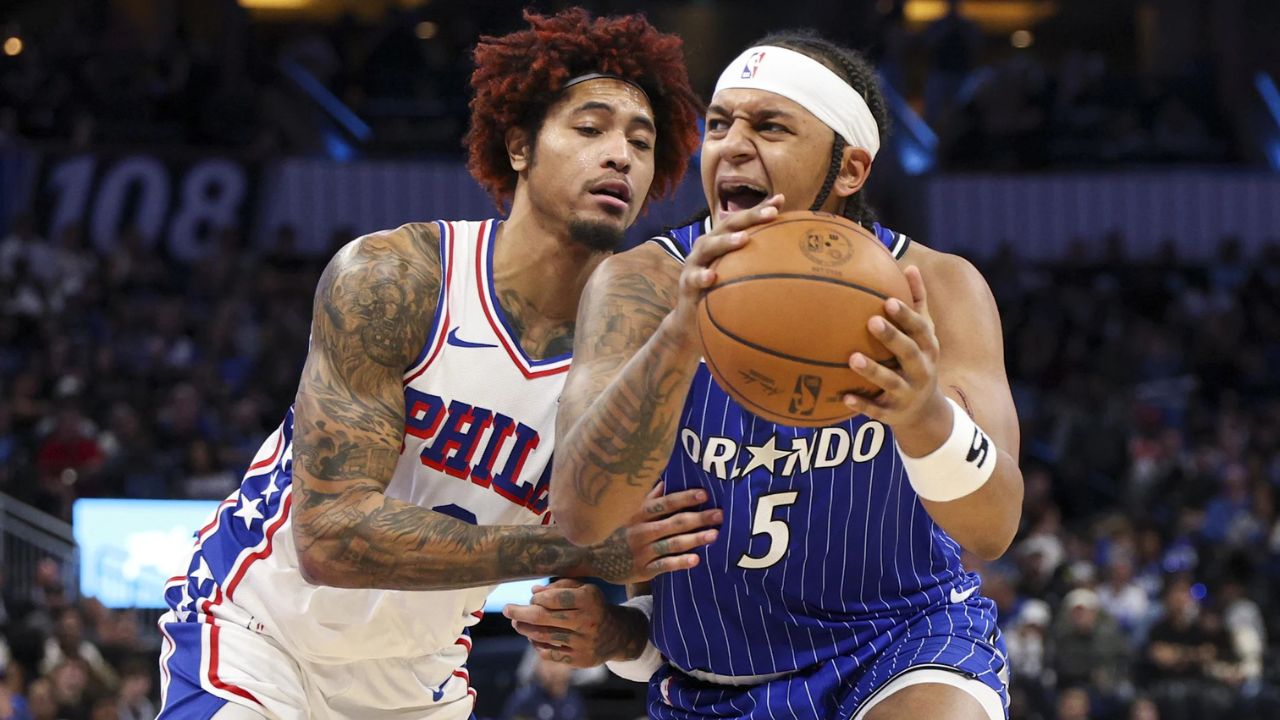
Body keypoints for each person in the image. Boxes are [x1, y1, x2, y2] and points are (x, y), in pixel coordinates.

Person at [156, 9, 710, 720]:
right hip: (261, 638)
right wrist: (579, 551)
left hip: (418, 680)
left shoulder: (643, 361)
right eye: (590, 128)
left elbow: (671, 610)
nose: (621, 156)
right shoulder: (398, 279)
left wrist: (612, 632)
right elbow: (330, 539)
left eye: (642, 141)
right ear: (518, 146)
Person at [508, 31, 1023, 720]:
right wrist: (679, 336)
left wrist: (922, 413)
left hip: (904, 644)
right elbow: (579, 511)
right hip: (710, 676)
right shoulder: (639, 285)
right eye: (718, 124)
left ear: (850, 169)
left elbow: (994, 529)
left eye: (770, 126)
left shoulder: (938, 288)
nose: (732, 145)